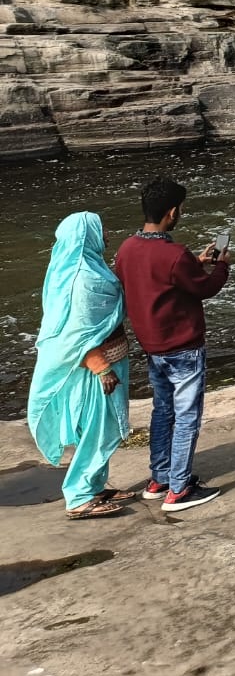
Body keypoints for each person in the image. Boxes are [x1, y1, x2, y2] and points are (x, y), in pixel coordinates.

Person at [116, 178, 229, 512]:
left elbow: (156, 276)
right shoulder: (174, 254)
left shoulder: (127, 249)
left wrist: (195, 261)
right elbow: (204, 288)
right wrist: (222, 265)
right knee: (187, 417)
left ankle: (160, 478)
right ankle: (179, 489)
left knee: (163, 412)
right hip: (183, 347)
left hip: (152, 347)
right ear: (172, 213)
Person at [27, 212, 138, 519]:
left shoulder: (85, 268)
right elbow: (76, 332)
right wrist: (100, 366)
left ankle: (95, 486)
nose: (106, 235)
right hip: (96, 370)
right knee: (98, 431)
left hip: (108, 361)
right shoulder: (82, 279)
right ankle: (79, 496)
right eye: (100, 230)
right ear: (85, 237)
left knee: (101, 428)